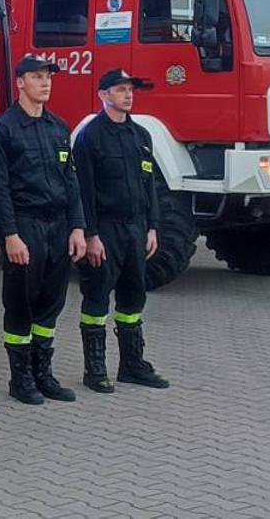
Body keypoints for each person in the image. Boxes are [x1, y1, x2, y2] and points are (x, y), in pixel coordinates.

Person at [0, 56, 88, 406]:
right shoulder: (3, 130)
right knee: (21, 304)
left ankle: (43, 372)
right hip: (25, 225)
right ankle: (20, 377)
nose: (45, 83)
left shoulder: (58, 127)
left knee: (51, 303)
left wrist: (77, 226)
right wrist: (10, 234)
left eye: (48, 78)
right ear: (20, 83)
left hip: (57, 225)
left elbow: (70, 181)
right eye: (37, 77)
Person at [73, 69, 173, 393]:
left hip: (136, 229)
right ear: (103, 95)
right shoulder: (91, 137)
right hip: (105, 230)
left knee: (133, 298)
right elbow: (83, 191)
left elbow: (150, 185)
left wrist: (153, 227)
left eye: (130, 89)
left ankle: (132, 364)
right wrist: (90, 235)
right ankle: (95, 368)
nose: (128, 95)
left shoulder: (140, 136)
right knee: (98, 297)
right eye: (120, 89)